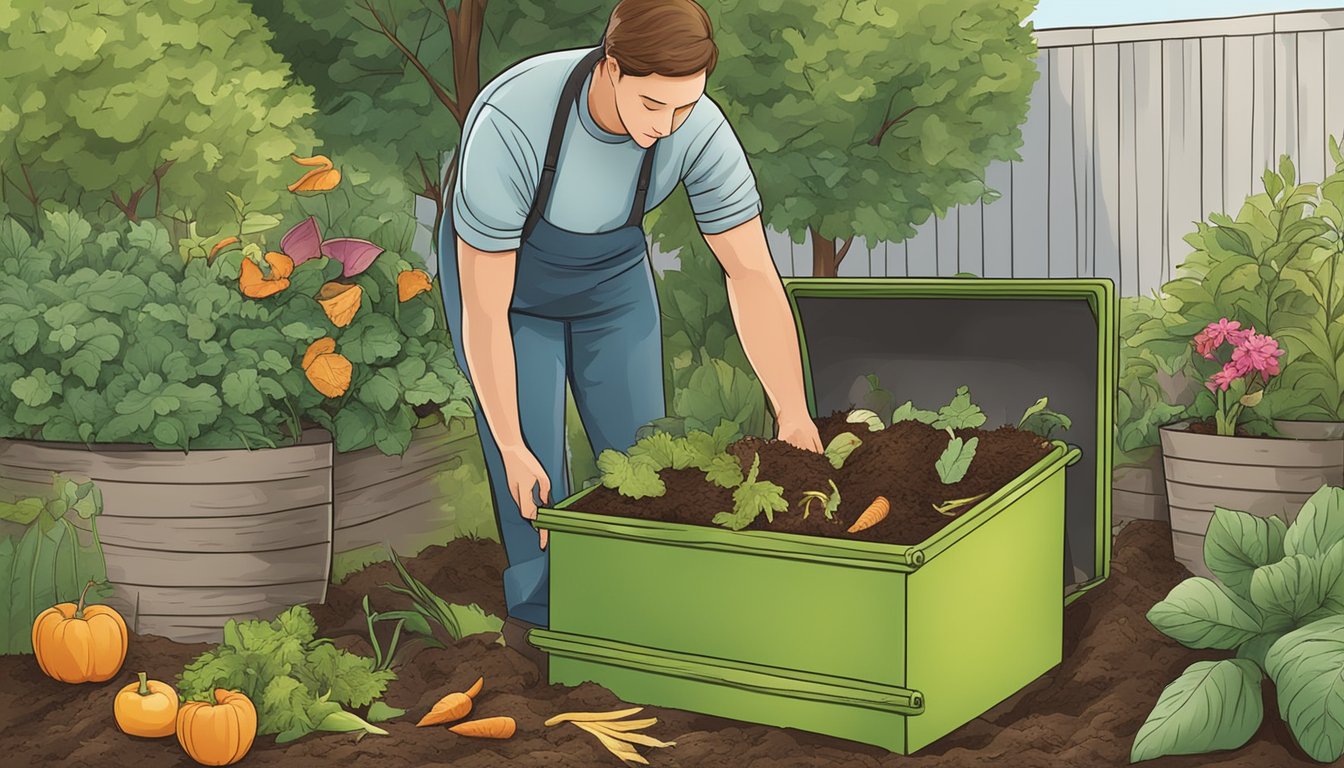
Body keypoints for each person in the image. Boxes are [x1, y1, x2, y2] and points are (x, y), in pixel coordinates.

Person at [437, 0, 823, 669]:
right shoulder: (513, 121)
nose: (664, 127)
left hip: (611, 280)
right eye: (651, 106)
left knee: (644, 453)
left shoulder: (696, 128)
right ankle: (544, 627)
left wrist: (792, 409)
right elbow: (485, 310)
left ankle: (646, 615)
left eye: (681, 109)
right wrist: (509, 443)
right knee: (532, 471)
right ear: (611, 67)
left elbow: (751, 274)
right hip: (506, 289)